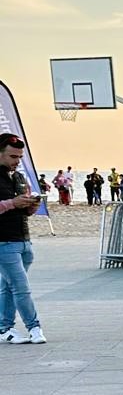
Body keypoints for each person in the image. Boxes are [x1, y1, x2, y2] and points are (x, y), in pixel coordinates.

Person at [0, 133, 45, 344]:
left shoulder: (18, 177)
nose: (17, 161)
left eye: (19, 157)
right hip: (3, 241)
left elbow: (23, 210)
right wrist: (11, 203)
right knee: (20, 287)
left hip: (23, 239)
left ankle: (4, 327)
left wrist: (31, 206)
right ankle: (34, 327)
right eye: (12, 157)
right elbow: (10, 205)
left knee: (9, 286)